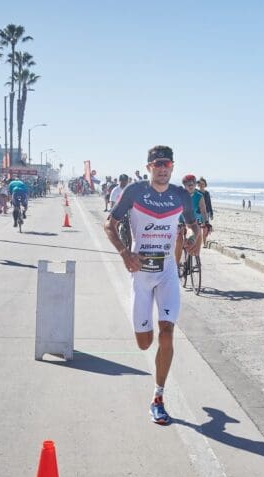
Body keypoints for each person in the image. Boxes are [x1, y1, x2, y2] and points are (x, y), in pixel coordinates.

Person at [104, 145, 201, 425]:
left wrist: (195, 239)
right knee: (145, 343)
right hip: (141, 275)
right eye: (157, 163)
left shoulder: (181, 195)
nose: (162, 168)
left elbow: (193, 226)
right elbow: (109, 225)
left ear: (172, 166)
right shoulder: (135, 192)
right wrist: (125, 252)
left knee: (168, 332)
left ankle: (158, 397)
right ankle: (146, 337)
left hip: (167, 271)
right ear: (148, 167)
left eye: (167, 164)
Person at [175, 174, 210, 265]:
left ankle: (196, 253)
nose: (190, 186)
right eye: (188, 184)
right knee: (179, 239)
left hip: (193, 220)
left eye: (192, 184)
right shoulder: (180, 195)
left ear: (195, 184)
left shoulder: (199, 196)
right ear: (184, 185)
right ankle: (176, 264)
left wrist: (206, 222)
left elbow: (203, 210)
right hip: (181, 219)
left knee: (198, 231)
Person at [197, 177, 214, 248]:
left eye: (203, 184)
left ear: (205, 184)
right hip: (197, 213)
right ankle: (197, 243)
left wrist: (211, 213)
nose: (201, 185)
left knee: (205, 229)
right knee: (197, 229)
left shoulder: (207, 193)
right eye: (200, 184)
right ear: (198, 185)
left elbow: (209, 203)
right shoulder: (196, 192)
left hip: (206, 213)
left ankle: (204, 243)